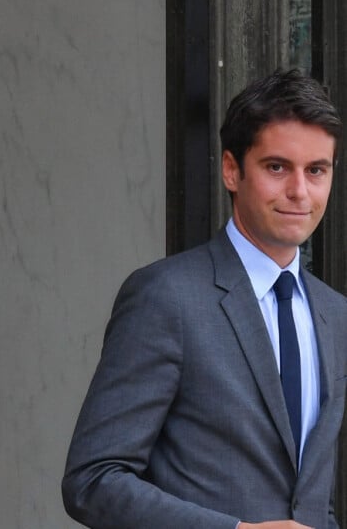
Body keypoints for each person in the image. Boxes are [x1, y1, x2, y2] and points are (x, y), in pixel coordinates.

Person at [62, 69, 347, 529]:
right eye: (277, 167)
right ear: (231, 170)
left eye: (316, 170)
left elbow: (310, 503)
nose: (299, 191)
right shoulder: (165, 298)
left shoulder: (336, 315)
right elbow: (92, 480)